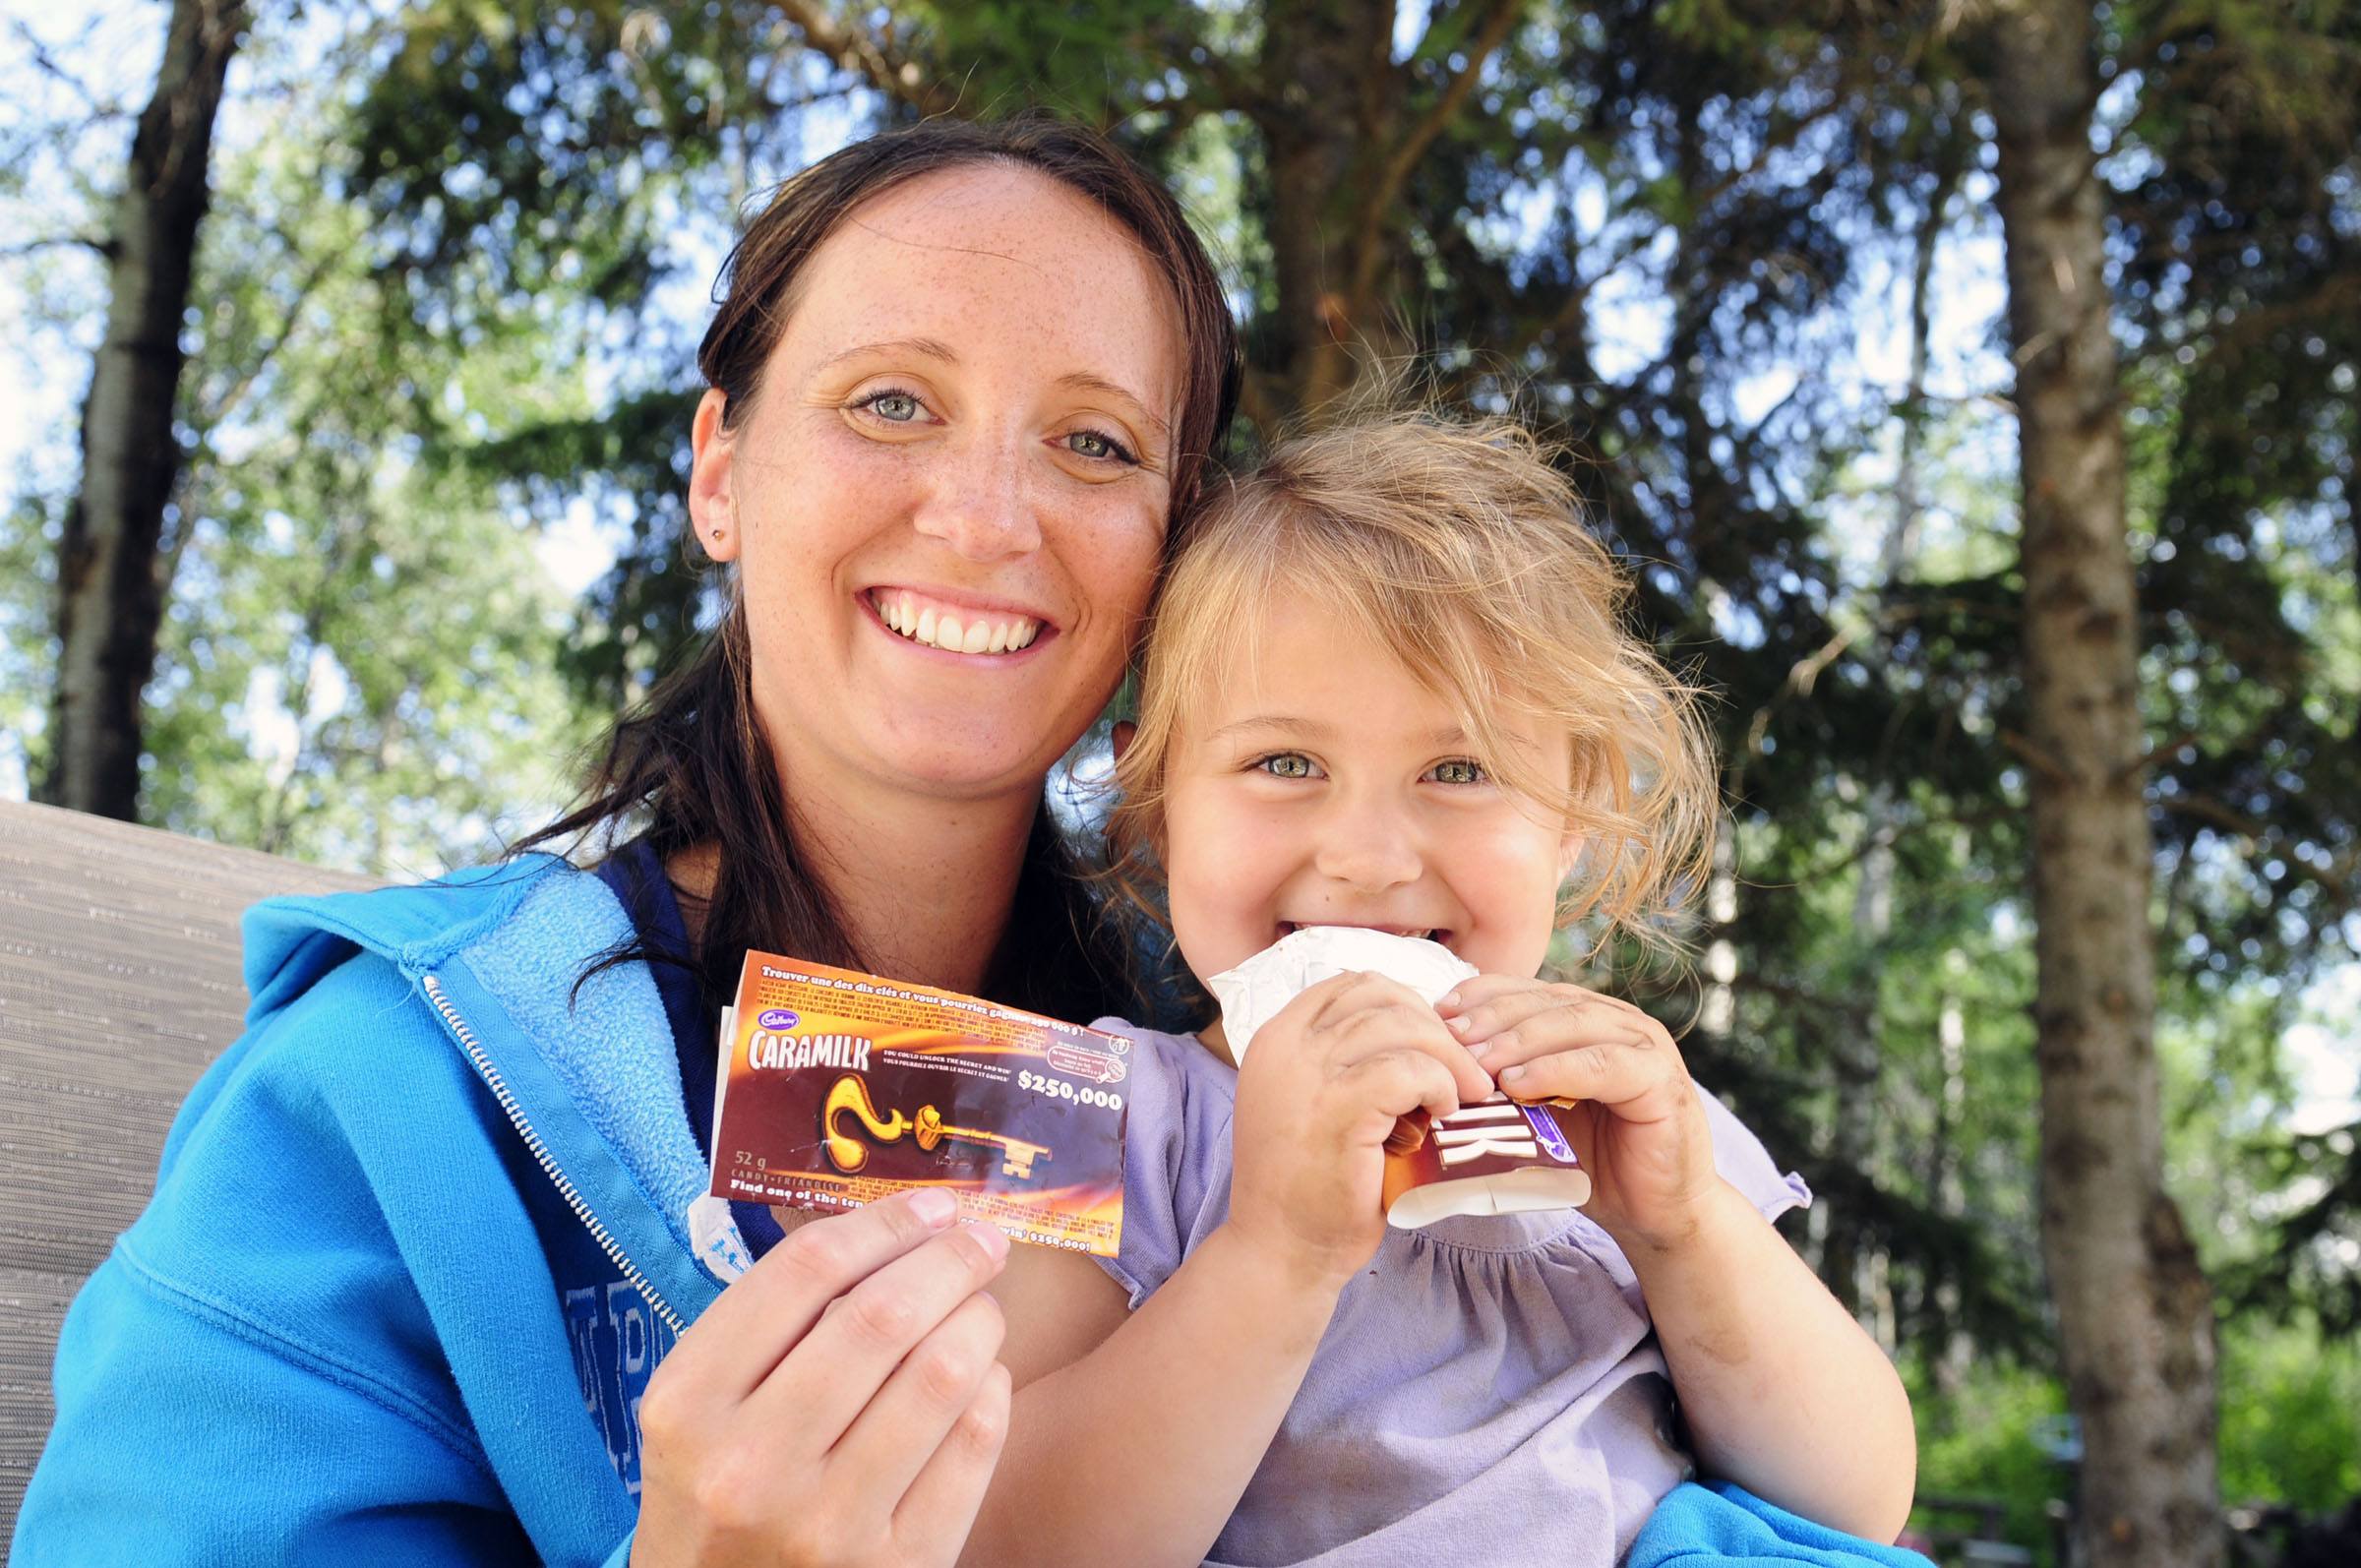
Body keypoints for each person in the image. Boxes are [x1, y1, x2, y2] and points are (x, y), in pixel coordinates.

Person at [10, 115, 1239, 1568]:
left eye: (1095, 442)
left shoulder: (1236, 1088)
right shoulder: (388, 1095)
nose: (984, 515)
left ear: (1177, 549)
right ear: (721, 470)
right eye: (892, 402)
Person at [958, 409, 1921, 1566]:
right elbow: (1009, 1537)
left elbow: (1855, 1498)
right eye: (1285, 763)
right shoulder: (1103, 1118)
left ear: (1572, 814)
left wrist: (1684, 1227)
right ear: (1155, 797)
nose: (1367, 856)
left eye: (1459, 770)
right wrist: (1274, 1253)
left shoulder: (1624, 1114)